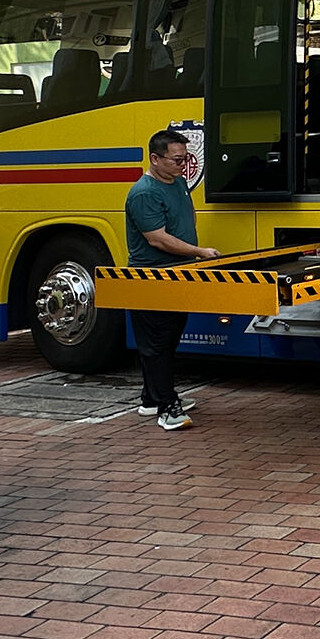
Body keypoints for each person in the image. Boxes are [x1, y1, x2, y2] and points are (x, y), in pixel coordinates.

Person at [124, 128, 219, 430]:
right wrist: (199, 251)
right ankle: (168, 407)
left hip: (178, 273)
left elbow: (187, 217)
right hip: (151, 277)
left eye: (185, 158)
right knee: (156, 344)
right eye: (177, 160)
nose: (183, 165)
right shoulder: (144, 193)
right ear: (155, 159)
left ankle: (150, 399)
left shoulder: (177, 182)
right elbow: (157, 239)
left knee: (167, 339)